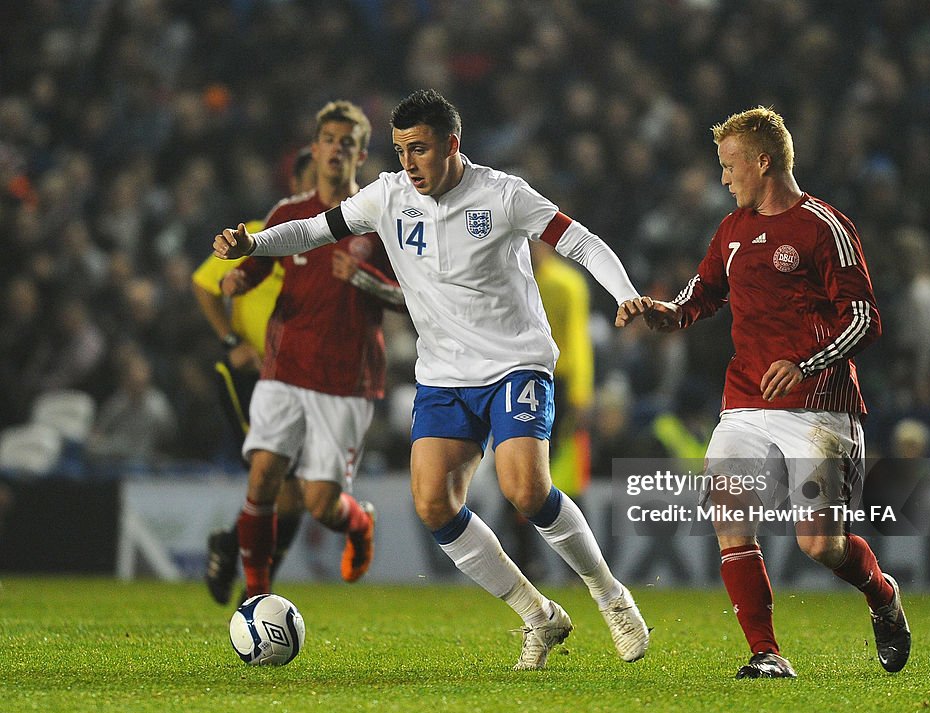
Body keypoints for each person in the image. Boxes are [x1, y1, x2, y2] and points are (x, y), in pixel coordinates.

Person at [214, 88, 651, 671]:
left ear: (452, 144)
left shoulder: (502, 195)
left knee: (525, 489)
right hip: (444, 375)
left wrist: (625, 295)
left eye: (419, 150)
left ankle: (610, 596)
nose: (408, 163)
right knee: (434, 504)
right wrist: (254, 243)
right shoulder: (388, 197)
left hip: (515, 362)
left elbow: (581, 242)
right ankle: (538, 616)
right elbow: (316, 230)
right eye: (399, 151)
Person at [621, 106, 911, 678]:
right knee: (729, 508)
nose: (723, 179)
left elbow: (865, 318)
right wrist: (663, 314)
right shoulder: (732, 230)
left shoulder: (823, 227)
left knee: (820, 548)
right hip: (746, 402)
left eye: (730, 166)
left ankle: (882, 594)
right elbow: (700, 296)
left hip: (820, 406)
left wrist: (807, 363)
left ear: (763, 161)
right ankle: (765, 653)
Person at [217, 100, 403, 601]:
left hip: (347, 377)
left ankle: (359, 522)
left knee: (322, 505)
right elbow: (254, 268)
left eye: (349, 142)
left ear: (362, 154)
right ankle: (255, 598)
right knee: (264, 482)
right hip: (284, 367)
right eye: (329, 139)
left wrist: (365, 279)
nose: (337, 149)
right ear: (316, 149)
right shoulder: (289, 214)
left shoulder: (380, 221)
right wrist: (237, 276)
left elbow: (416, 297)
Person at [191, 147, 316, 605]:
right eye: (309, 182)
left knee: (297, 495)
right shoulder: (261, 235)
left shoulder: (332, 243)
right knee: (276, 480)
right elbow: (205, 285)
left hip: (303, 380)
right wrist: (230, 341)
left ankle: (233, 553)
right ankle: (257, 589)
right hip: (252, 377)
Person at [503, 240, 595, 581]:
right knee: (522, 474)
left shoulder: (566, 283)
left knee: (562, 476)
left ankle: (577, 564)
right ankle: (528, 560)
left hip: (563, 384)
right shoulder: (513, 278)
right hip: (519, 379)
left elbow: (577, 338)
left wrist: (582, 392)